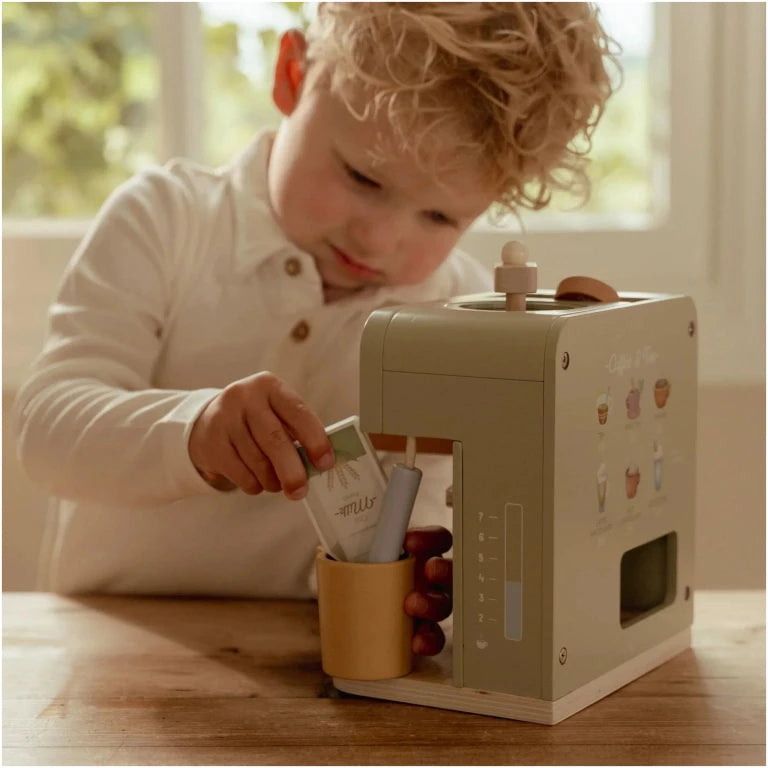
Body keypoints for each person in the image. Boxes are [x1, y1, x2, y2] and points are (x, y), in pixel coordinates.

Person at [12, 3, 617, 655]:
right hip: (108, 656)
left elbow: (439, 516)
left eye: (440, 216)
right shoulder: (165, 221)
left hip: (319, 661)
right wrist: (194, 433)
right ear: (292, 75)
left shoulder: (461, 313)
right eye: (362, 177)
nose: (380, 238)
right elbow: (47, 430)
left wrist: (427, 580)